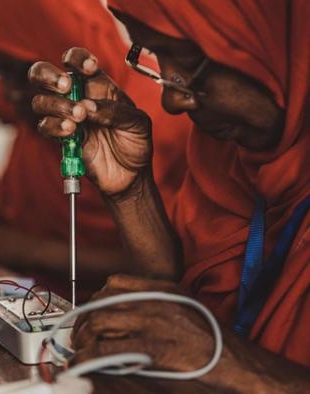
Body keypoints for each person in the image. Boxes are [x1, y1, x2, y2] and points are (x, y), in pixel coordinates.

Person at [28, 0, 309, 391]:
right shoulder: (227, 157)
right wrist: (131, 194)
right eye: (157, 56)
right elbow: (174, 323)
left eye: (190, 62)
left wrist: (237, 364)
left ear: (277, 40)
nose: (172, 100)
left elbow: (200, 349)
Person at [0, 0, 192, 294]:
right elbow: (9, 220)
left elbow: (177, 261)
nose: (9, 92)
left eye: (18, 71)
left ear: (60, 49)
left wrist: (26, 250)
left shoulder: (162, 116)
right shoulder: (43, 125)